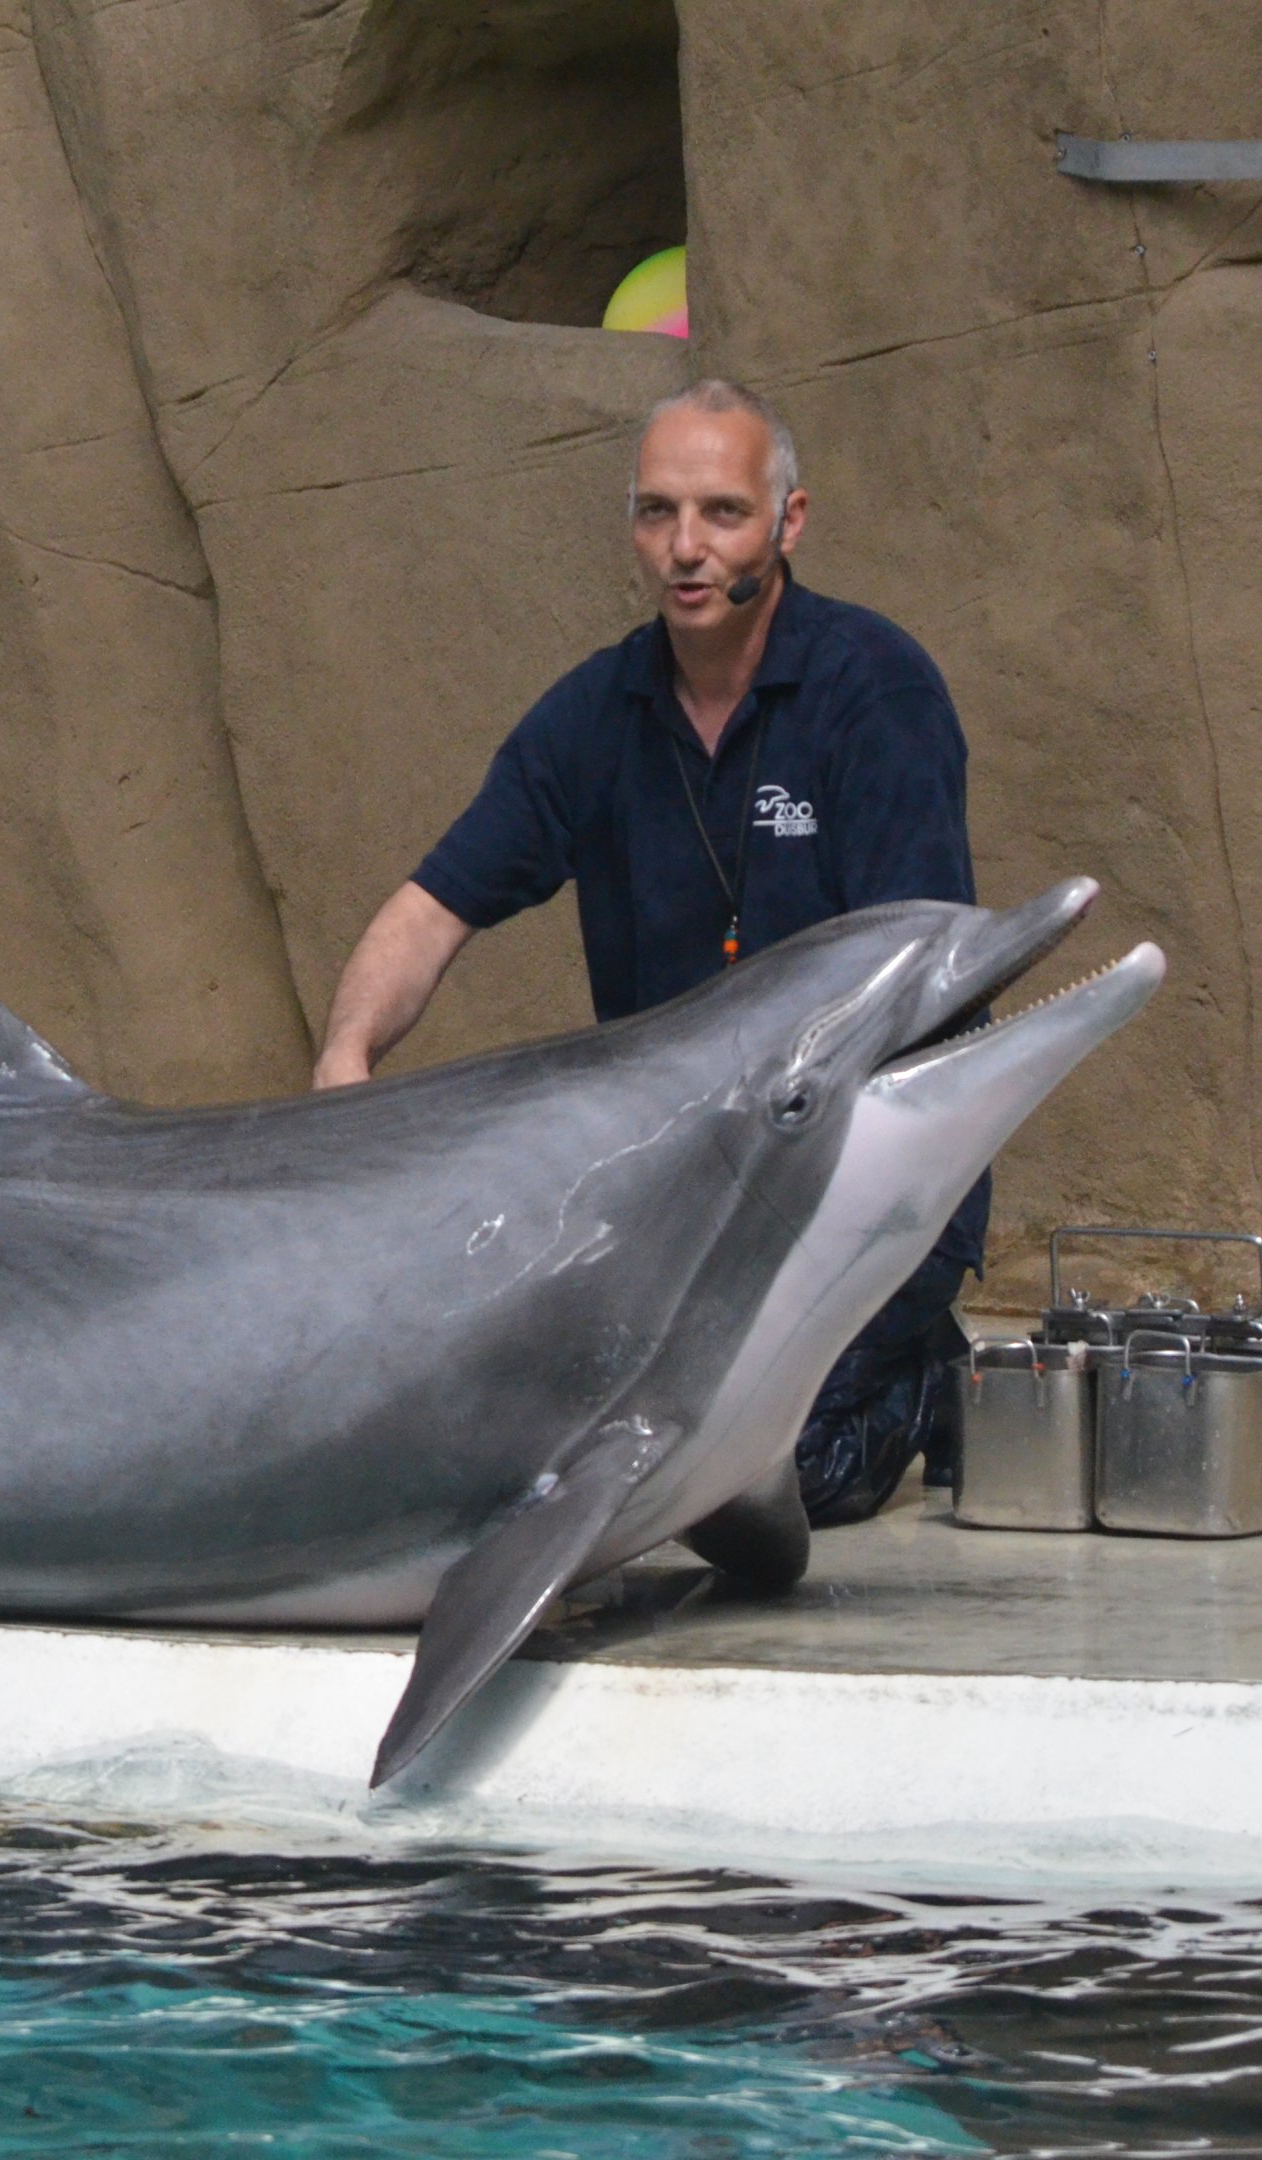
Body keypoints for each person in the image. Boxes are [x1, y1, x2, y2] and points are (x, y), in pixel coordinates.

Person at [313, 378, 975, 1526]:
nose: (686, 547)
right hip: (676, 1207)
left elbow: (923, 978)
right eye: (657, 512)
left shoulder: (874, 690)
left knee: (754, 1486)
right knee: (525, 1449)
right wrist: (345, 1058)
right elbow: (432, 907)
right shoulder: (596, 715)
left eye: (722, 512)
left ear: (789, 521)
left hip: (852, 1192)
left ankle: (924, 1369)